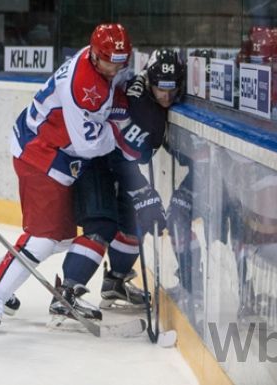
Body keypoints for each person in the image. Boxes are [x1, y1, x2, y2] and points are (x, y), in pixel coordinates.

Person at [0, 23, 133, 333]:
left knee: (63, 238)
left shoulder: (100, 63)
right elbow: (87, 144)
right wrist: (116, 132)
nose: (115, 67)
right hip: (40, 155)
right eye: (110, 60)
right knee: (44, 238)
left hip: (54, 153)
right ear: (95, 56)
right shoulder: (82, 83)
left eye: (120, 61)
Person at [51, 48, 183, 320]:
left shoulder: (146, 91)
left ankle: (115, 283)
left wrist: (143, 198)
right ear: (150, 81)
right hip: (95, 162)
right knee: (101, 227)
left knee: (135, 222)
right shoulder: (141, 109)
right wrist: (144, 193)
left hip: (118, 163)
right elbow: (121, 156)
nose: (166, 97)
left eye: (172, 90)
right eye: (161, 89)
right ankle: (66, 294)